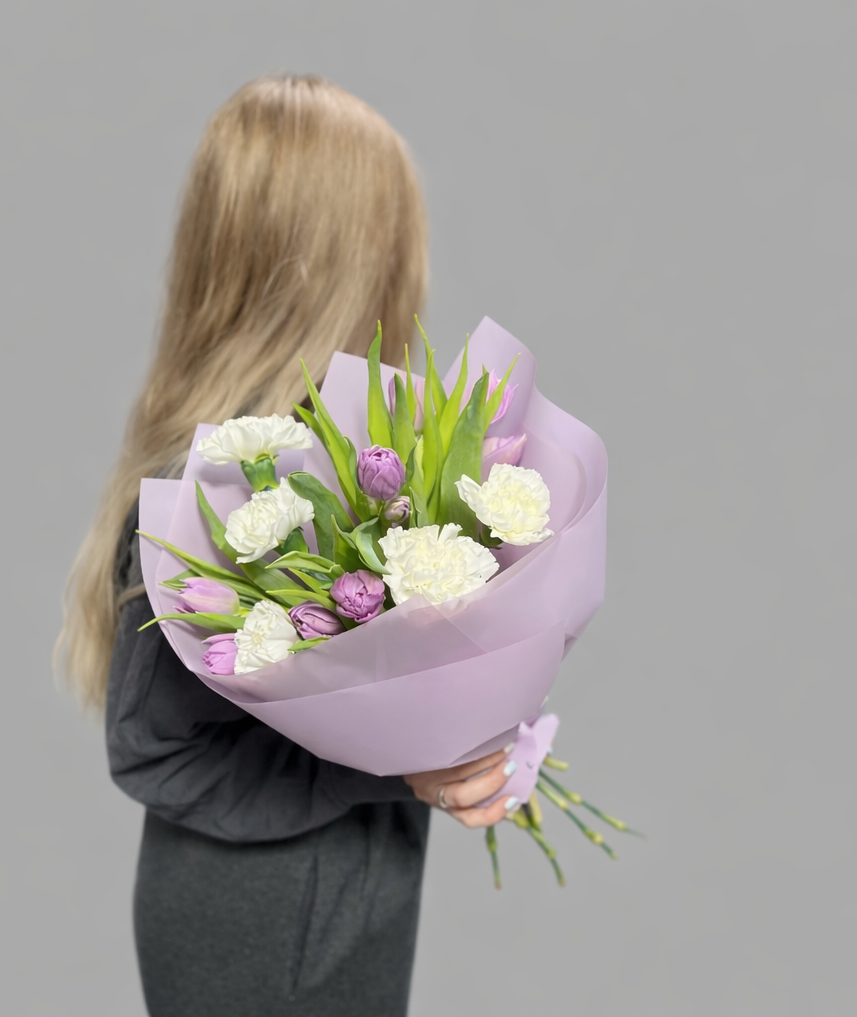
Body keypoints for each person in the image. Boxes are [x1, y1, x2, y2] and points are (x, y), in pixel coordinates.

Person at [57, 74, 517, 1017]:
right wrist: (397, 767)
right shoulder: (217, 488)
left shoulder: (339, 465)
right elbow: (154, 751)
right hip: (263, 920)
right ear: (360, 255)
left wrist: (477, 739)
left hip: (338, 893)